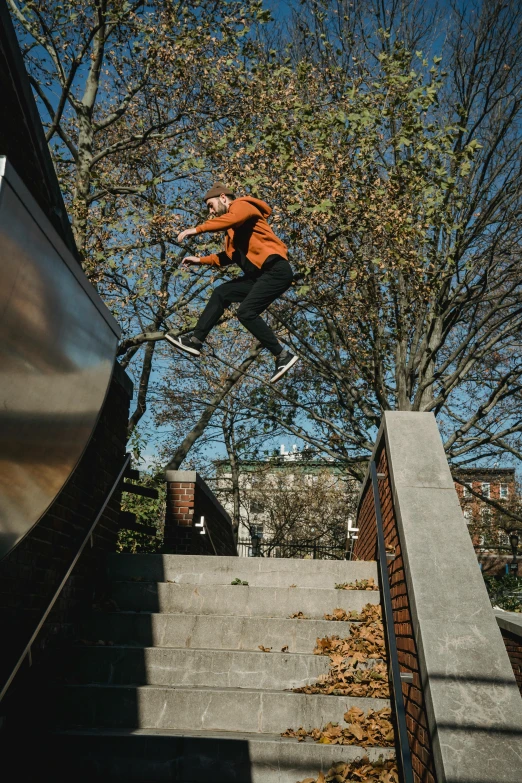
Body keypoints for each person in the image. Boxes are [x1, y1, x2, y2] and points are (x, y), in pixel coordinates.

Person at [165, 183, 299, 383]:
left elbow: (232, 218)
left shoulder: (243, 205)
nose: (211, 212)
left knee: (246, 312)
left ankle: (282, 355)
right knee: (222, 292)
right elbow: (229, 257)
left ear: (223, 198)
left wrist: (196, 229)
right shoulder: (232, 234)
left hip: (276, 269)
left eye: (211, 206)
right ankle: (195, 341)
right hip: (260, 276)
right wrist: (200, 260)